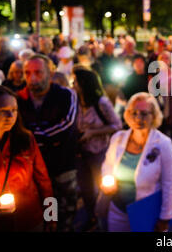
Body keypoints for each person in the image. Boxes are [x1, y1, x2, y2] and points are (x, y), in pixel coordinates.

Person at [17, 54, 80, 232]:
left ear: (50, 73)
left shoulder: (66, 95)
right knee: (45, 213)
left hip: (62, 167)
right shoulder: (19, 99)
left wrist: (33, 137)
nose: (32, 78)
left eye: (38, 72)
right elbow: (17, 130)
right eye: (27, 73)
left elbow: (66, 125)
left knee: (65, 214)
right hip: (34, 171)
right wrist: (42, 138)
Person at [0, 86, 54, 231]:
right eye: (3, 111)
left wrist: (52, 216)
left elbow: (44, 181)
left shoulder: (26, 139)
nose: (10, 116)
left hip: (30, 219)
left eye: (14, 110)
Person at [101, 92, 172, 232]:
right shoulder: (118, 138)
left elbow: (170, 184)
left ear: (154, 116)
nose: (137, 118)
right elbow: (107, 165)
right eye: (133, 113)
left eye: (144, 114)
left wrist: (165, 217)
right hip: (117, 209)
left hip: (146, 211)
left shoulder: (163, 144)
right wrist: (106, 181)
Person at [72, 66, 123, 231]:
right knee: (86, 189)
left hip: (99, 152)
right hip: (80, 152)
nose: (73, 84)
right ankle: (92, 217)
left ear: (84, 83)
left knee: (103, 188)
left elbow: (117, 125)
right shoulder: (75, 100)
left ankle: (107, 218)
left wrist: (92, 133)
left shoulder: (101, 102)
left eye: (76, 81)